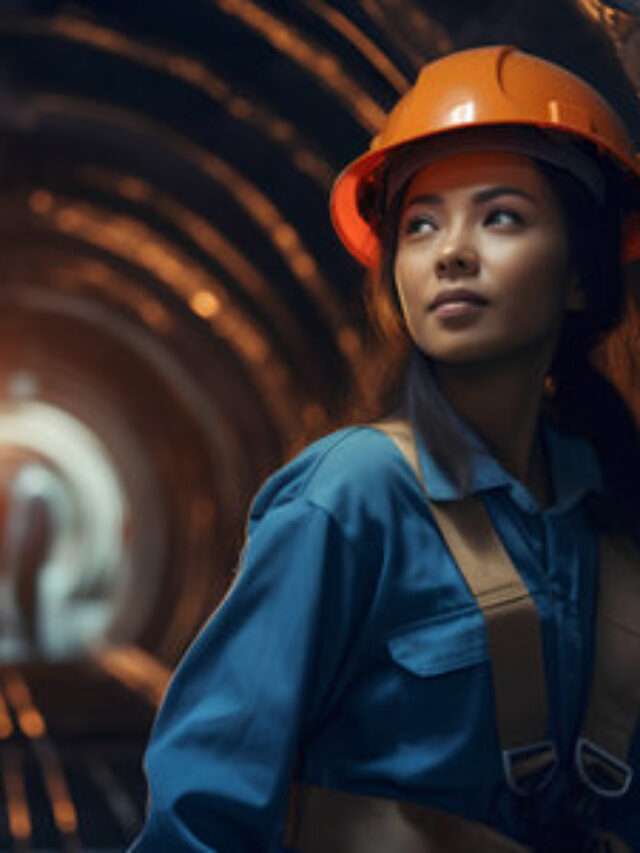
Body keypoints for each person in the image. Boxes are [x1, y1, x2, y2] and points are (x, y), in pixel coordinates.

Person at [129, 46, 640, 852]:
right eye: (420, 224)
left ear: (581, 275)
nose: (452, 252)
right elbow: (206, 804)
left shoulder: (609, 517)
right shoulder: (351, 495)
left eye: (501, 216)